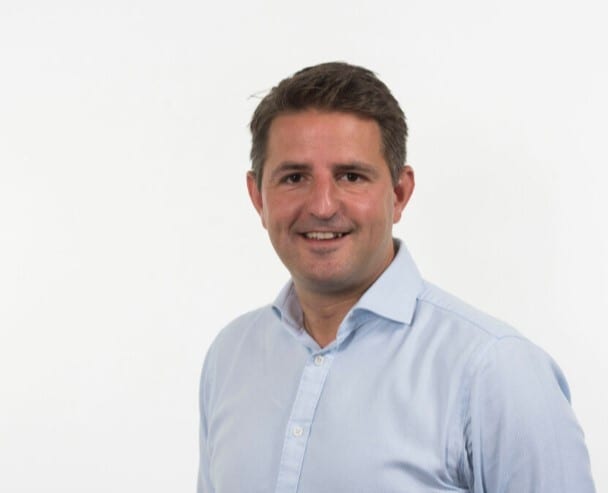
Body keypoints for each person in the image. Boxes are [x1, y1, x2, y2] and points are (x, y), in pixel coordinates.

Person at [197, 62, 595, 493]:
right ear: (258, 197)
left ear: (399, 193)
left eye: (351, 176)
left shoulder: (494, 371)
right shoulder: (230, 357)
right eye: (294, 178)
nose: (323, 206)